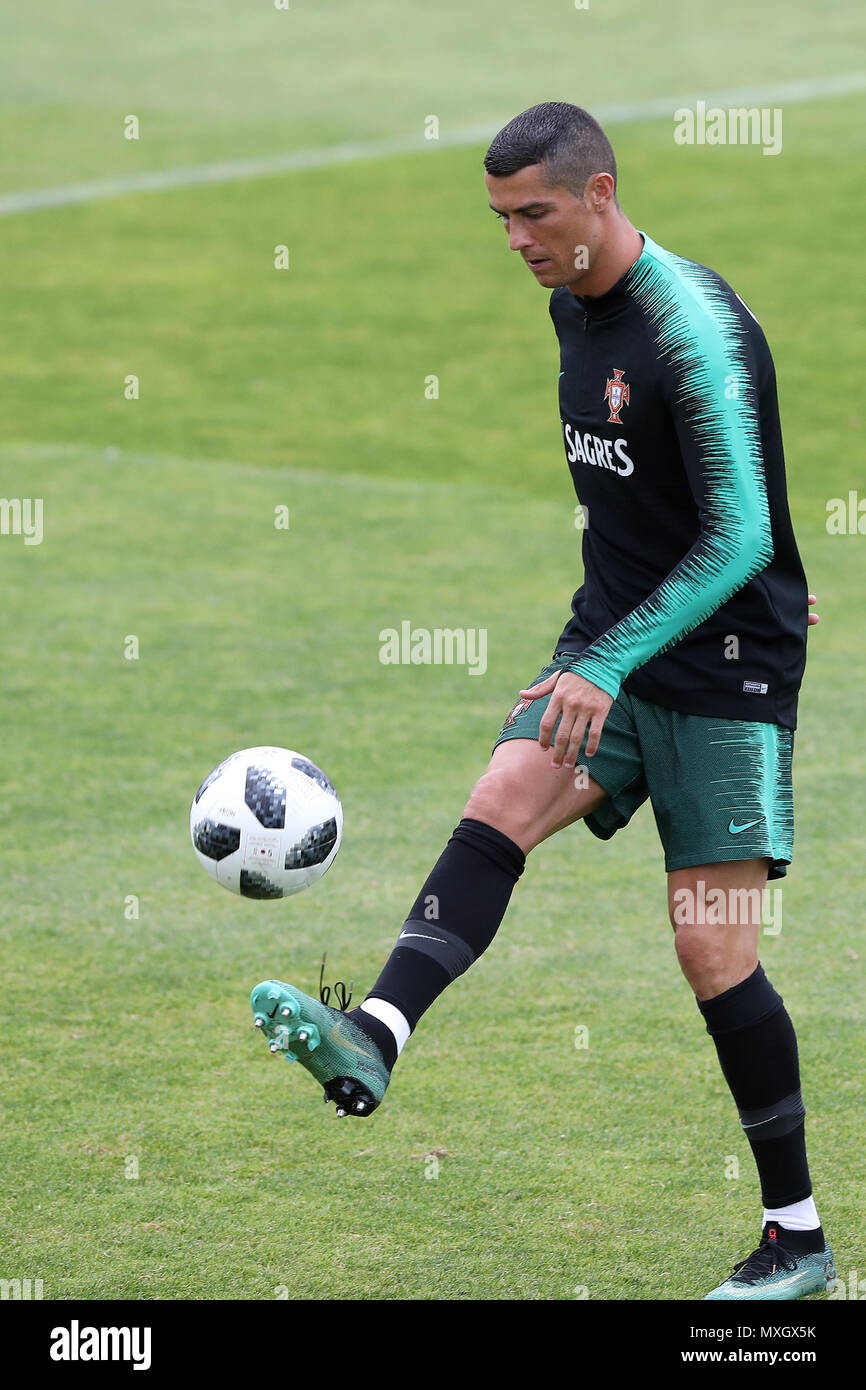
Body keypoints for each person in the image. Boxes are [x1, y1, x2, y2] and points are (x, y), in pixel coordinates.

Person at [251, 102, 832, 1302]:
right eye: (499, 217)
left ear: (600, 195)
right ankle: (372, 1033)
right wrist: (606, 648)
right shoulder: (572, 305)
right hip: (611, 646)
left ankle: (797, 1239)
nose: (514, 237)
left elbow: (739, 530)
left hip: (722, 675)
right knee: (502, 795)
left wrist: (649, 640)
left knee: (710, 948)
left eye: (534, 213)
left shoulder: (695, 330)